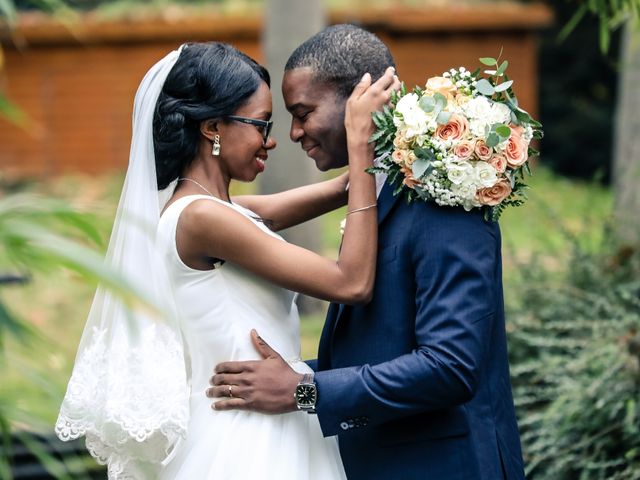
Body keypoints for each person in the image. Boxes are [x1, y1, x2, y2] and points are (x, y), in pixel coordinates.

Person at [55, 41, 399, 479]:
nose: (272, 140)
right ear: (213, 127)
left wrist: (392, 137)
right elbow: (350, 283)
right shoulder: (202, 218)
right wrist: (358, 142)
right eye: (260, 124)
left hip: (264, 418)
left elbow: (340, 189)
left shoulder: (218, 211)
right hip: (248, 439)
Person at [210, 24, 526, 480]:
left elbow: (450, 367)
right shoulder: (375, 189)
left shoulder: (443, 196)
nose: (295, 133)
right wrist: (288, 377)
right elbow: (381, 349)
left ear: (360, 97)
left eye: (303, 112)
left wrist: (304, 390)